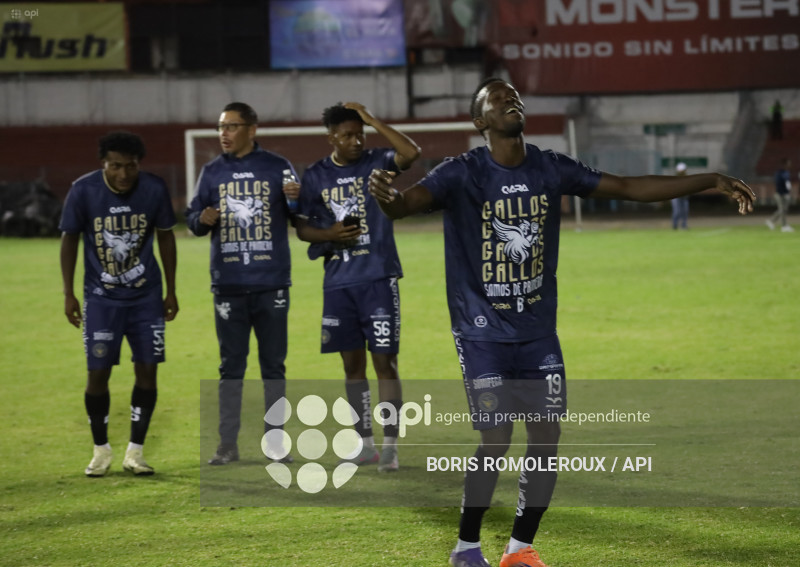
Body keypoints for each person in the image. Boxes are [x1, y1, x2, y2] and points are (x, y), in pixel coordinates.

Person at [368, 78, 755, 567]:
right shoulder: (461, 173)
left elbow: (629, 186)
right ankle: (466, 547)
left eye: (513, 92)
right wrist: (386, 198)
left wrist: (710, 180)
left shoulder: (550, 168)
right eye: (496, 96)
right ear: (480, 121)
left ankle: (519, 549)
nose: (510, 97)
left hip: (538, 334)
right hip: (481, 333)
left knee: (547, 439)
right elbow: (405, 205)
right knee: (497, 438)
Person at [294, 102, 421, 472]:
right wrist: (329, 234)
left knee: (385, 364)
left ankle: (392, 446)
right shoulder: (315, 175)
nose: (355, 140)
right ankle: (365, 445)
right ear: (331, 137)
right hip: (338, 284)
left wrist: (373, 120)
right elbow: (302, 227)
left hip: (378, 279)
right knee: (352, 368)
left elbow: (410, 153)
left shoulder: (376, 161)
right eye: (347, 135)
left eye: (359, 133)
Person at [60, 131, 179, 477]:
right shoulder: (83, 190)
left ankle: (135, 452)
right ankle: (100, 450)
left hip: (145, 298)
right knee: (97, 374)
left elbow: (166, 237)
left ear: (139, 165)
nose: (124, 174)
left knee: (148, 372)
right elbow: (68, 239)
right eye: (115, 166)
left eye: (130, 166)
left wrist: (171, 291)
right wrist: (68, 293)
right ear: (103, 165)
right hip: (101, 300)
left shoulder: (154, 189)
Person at [185, 102, 299, 465]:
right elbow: (192, 219)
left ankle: (275, 443)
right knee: (230, 368)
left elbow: (300, 212)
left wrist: (298, 200)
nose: (224, 133)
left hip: (271, 282)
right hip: (229, 284)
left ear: (252, 129)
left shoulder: (278, 166)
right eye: (221, 126)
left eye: (232, 126)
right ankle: (227, 445)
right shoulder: (211, 172)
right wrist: (201, 220)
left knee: (273, 367)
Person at [767, 157, 794, 232]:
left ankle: (771, 221)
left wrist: (788, 192)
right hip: (779, 194)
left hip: (786, 194)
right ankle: (784, 226)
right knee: (782, 210)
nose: (789, 165)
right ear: (784, 164)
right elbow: (778, 183)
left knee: (783, 210)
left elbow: (787, 183)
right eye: (788, 163)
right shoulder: (779, 173)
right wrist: (782, 192)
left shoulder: (787, 173)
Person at [671, 161, 689, 229]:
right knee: (677, 211)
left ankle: (684, 225)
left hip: (684, 197)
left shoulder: (687, 178)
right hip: (676, 197)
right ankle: (675, 225)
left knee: (685, 211)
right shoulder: (675, 178)